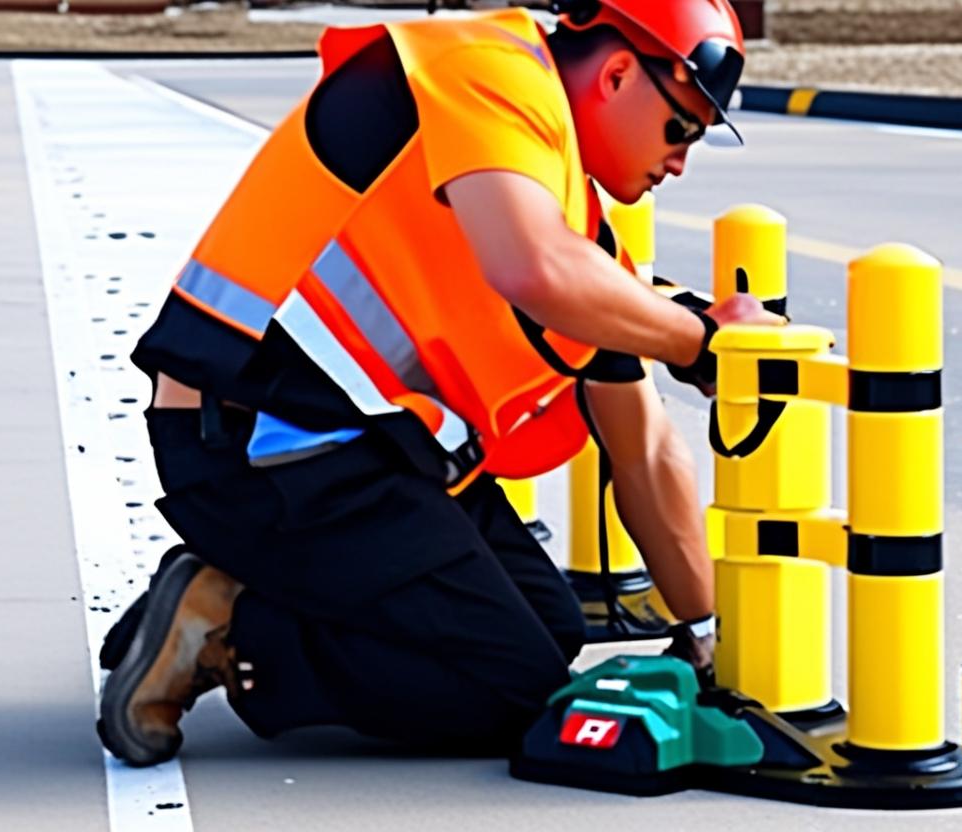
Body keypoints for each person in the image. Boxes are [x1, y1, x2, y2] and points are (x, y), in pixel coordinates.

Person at [96, 0, 784, 768]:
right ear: (618, 74)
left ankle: (233, 588)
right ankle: (230, 631)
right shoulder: (490, 72)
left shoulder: (568, 220)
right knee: (509, 685)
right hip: (254, 433)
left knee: (550, 628)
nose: (681, 161)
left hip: (358, 445)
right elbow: (535, 268)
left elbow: (645, 447)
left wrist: (703, 636)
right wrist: (698, 341)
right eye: (682, 128)